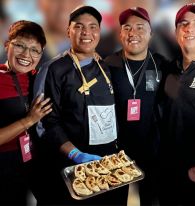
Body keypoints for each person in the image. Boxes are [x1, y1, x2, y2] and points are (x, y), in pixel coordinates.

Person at [34, 5, 128, 206]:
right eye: (79, 26)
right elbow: (46, 122)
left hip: (109, 162)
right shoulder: (53, 69)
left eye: (93, 27)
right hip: (74, 164)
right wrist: (75, 153)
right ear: (68, 31)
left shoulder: (104, 66)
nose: (86, 32)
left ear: (99, 32)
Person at [105, 7, 168, 206]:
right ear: (120, 33)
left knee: (151, 199)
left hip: (152, 148)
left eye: (140, 27)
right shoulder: (108, 64)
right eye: (127, 27)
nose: (133, 33)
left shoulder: (162, 65)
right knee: (115, 200)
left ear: (151, 33)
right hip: (117, 150)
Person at [158, 3, 195, 206]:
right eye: (184, 23)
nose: (190, 28)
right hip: (167, 171)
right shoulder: (170, 67)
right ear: (176, 32)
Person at [0, 20, 52, 205]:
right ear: (7, 45)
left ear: (41, 53)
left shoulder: (39, 77)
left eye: (34, 49)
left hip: (36, 159)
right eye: (20, 45)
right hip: (5, 166)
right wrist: (28, 120)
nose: (26, 54)